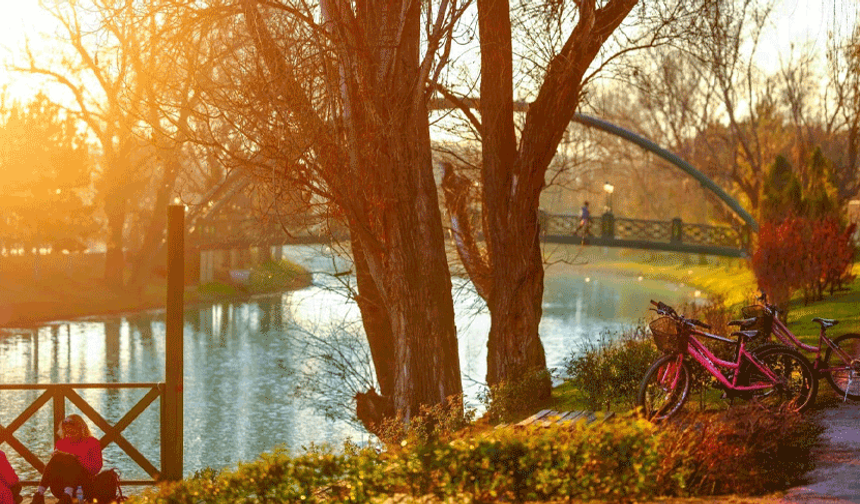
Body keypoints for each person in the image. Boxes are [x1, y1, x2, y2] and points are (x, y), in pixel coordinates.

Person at [31, 414, 103, 504]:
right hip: (60, 487)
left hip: (82, 486)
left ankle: (67, 496)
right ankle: (39, 494)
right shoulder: (61, 443)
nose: (69, 434)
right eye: (67, 431)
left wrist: (76, 459)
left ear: (81, 429)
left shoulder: (92, 442)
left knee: (70, 458)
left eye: (73, 431)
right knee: (57, 457)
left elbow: (96, 468)